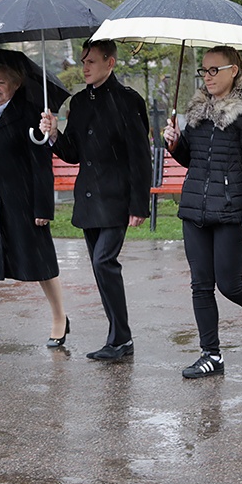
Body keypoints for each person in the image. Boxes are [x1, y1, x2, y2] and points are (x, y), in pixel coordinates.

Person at [163, 46, 242, 379]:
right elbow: (192, 159)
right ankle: (211, 355)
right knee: (201, 285)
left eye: (213, 71)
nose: (207, 77)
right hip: (195, 209)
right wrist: (175, 143)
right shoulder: (198, 110)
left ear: (233, 70)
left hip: (232, 210)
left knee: (230, 284)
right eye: (203, 71)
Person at [39, 39, 151, 359]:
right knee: (99, 267)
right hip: (89, 198)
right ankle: (118, 338)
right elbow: (73, 154)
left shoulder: (129, 101)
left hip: (117, 197)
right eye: (83, 61)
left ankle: (121, 339)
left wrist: (139, 204)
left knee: (104, 262)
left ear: (110, 63)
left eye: (91, 61)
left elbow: (140, 158)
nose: (85, 67)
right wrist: (55, 134)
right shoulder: (80, 102)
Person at [0, 63, 68, 360]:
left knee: (41, 264)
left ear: (17, 84)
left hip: (23, 201)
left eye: (1, 82)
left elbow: (41, 163)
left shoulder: (32, 113)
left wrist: (44, 206)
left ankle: (60, 318)